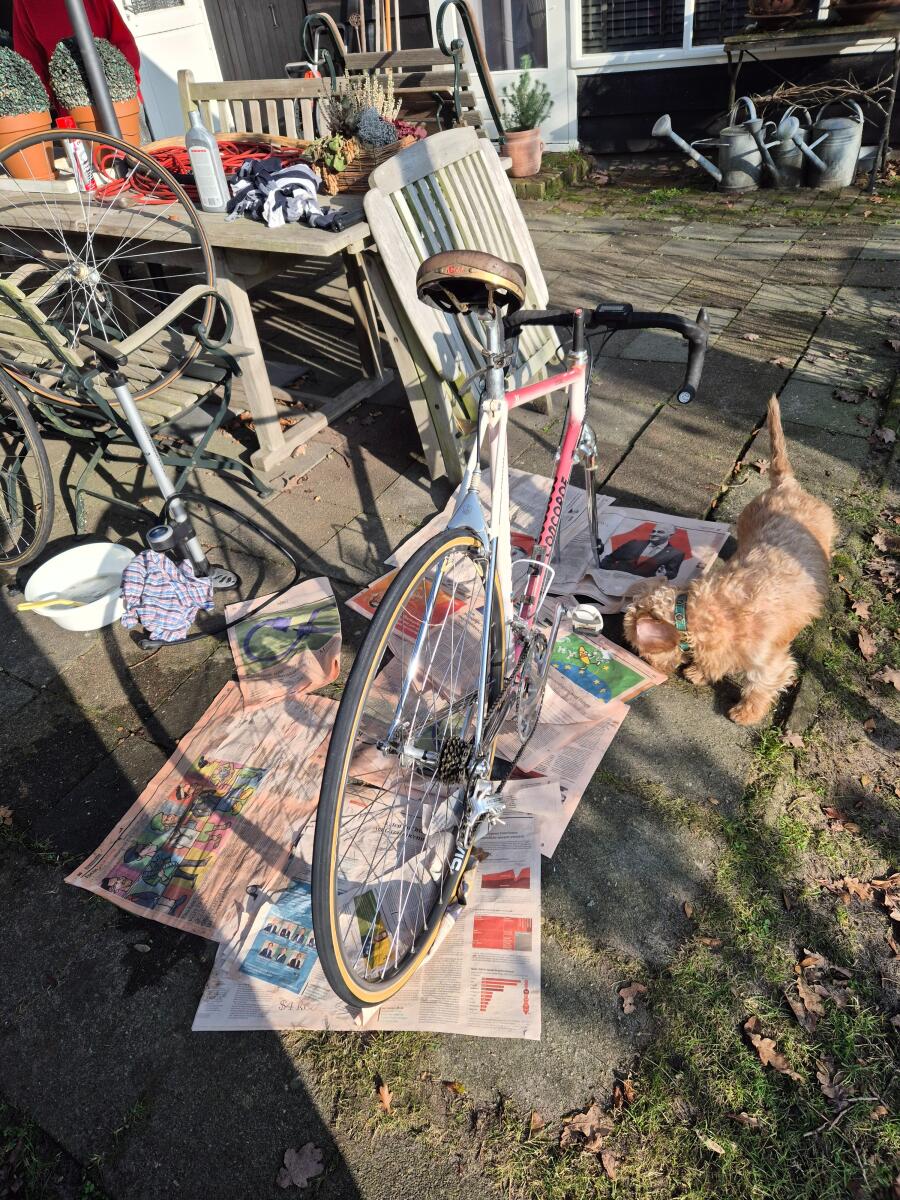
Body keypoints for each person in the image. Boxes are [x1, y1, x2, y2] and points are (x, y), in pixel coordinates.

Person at [13, 0, 141, 97]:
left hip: (122, 97)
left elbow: (123, 41)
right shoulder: (24, 3)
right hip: (71, 108)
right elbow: (30, 63)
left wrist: (125, 85)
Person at [598, 524, 685, 581]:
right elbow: (611, 558)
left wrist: (664, 574)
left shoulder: (675, 554)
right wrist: (605, 572)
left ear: (670, 535)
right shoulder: (634, 543)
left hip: (641, 588)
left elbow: (672, 573)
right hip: (615, 580)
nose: (654, 534)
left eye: (660, 532)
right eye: (653, 531)